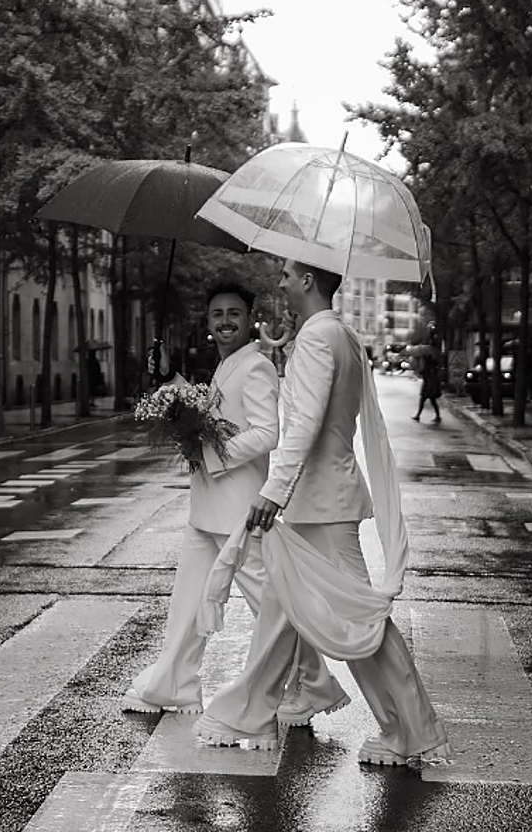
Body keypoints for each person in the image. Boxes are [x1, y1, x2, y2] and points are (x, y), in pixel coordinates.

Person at [194, 259, 449, 765]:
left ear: (308, 281)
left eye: (288, 274)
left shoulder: (317, 339)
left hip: (321, 502)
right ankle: (251, 711)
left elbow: (304, 427)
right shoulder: (338, 334)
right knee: (282, 611)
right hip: (323, 499)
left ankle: (409, 730)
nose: (282, 283)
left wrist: (273, 490)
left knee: (360, 622)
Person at [123, 279, 350, 724]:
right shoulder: (226, 365)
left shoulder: (257, 367)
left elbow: (269, 434)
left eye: (233, 314)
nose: (225, 322)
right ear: (208, 323)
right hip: (206, 507)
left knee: (270, 602)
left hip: (239, 509)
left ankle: (312, 685)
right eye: (216, 315)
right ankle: (176, 686)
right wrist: (170, 379)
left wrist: (212, 453)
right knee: (187, 601)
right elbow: (212, 416)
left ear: (250, 320)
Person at [412, 350, 442, 423]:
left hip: (429, 385)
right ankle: (437, 416)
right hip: (431, 385)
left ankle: (418, 415)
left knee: (423, 400)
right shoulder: (431, 364)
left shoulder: (428, 365)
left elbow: (422, 372)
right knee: (432, 401)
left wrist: (419, 366)